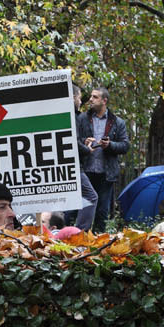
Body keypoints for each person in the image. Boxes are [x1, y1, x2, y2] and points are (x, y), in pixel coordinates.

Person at [76, 86, 130, 232]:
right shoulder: (82, 119)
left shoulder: (117, 122)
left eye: (95, 97)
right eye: (91, 97)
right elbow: (74, 141)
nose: (90, 100)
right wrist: (84, 142)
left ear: (104, 101)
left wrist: (110, 145)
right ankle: (80, 238)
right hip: (86, 171)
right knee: (82, 209)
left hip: (106, 174)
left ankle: (98, 241)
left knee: (102, 212)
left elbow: (125, 145)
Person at [64, 85, 100, 231]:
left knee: (67, 201)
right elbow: (73, 142)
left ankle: (61, 230)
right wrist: (87, 149)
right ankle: (79, 233)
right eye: (79, 97)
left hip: (66, 164)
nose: (80, 101)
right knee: (91, 197)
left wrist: (83, 143)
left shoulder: (65, 114)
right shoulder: (72, 115)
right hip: (73, 165)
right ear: (72, 97)